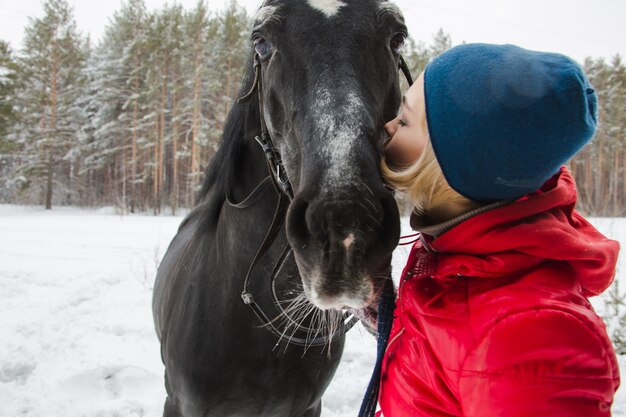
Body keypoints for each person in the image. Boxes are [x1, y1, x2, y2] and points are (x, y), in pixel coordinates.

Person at [377, 43, 621, 416]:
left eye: (405, 121)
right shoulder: (458, 253)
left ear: (452, 167)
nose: (388, 127)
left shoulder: (530, 335)